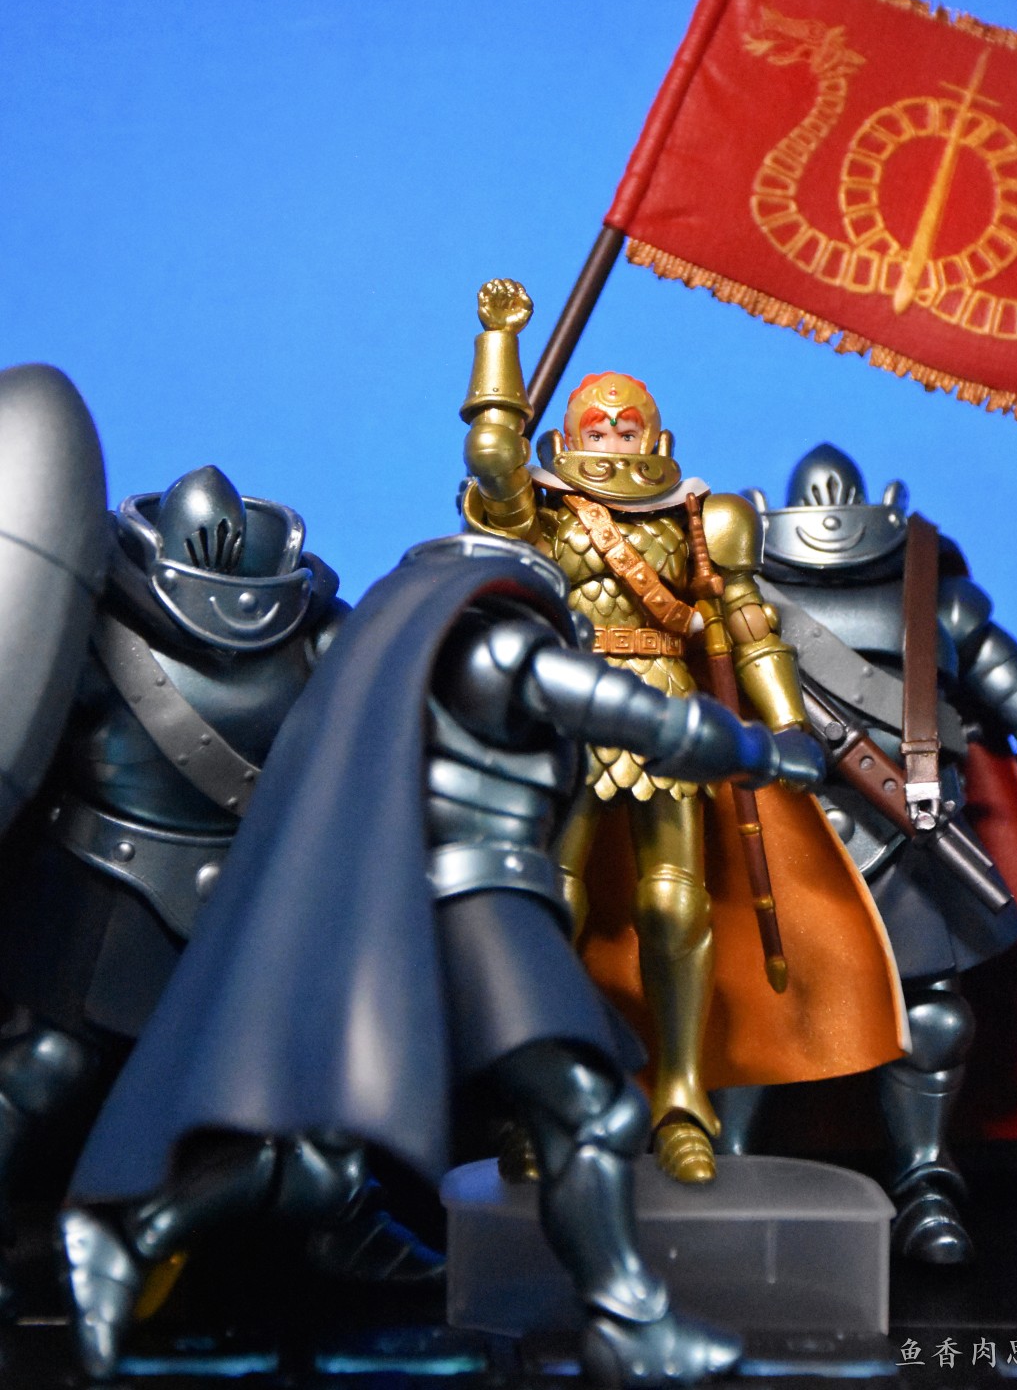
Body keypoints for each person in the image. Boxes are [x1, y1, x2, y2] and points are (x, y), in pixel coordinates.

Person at [61, 530, 823, 1383]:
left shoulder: (385, 649)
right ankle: (628, 1326)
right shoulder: (497, 647)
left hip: (390, 907)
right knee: (588, 1109)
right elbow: (651, 721)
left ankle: (132, 1228)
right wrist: (769, 753)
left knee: (323, 1156)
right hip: (478, 901)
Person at [460, 280, 908, 1185]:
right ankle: (545, 1099)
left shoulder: (705, 517)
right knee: (548, 905)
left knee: (676, 906)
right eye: (596, 429)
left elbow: (748, 627)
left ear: (658, 442)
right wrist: (500, 343)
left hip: (668, 714)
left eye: (628, 429)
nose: (612, 441)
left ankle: (682, 1096)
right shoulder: (542, 510)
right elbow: (493, 456)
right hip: (565, 714)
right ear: (567, 440)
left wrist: (789, 729)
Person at [0, 364, 415, 1306]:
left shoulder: (315, 633)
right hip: (106, 886)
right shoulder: (99, 620)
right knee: (48, 1065)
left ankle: (335, 1226)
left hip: (253, 902)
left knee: (313, 1080)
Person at [750, 443, 1017, 1263]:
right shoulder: (738, 597)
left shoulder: (939, 600)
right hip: (780, 830)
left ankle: (924, 1177)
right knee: (756, 1005)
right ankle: (729, 1176)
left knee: (932, 1019)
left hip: (912, 836)